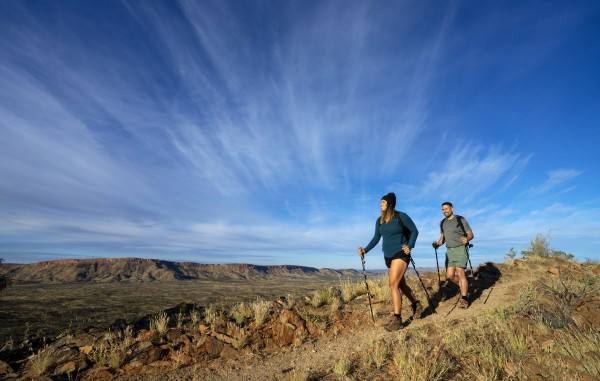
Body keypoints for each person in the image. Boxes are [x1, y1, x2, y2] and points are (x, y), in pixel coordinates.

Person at [358, 192, 423, 331]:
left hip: (400, 253)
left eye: (383, 202)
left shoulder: (401, 216)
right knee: (401, 285)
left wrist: (410, 245)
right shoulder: (379, 220)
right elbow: (376, 237)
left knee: (393, 284)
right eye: (380, 202)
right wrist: (366, 250)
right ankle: (416, 304)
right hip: (387, 256)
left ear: (390, 203)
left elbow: (414, 231)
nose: (380, 204)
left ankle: (397, 318)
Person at [432, 202, 474, 309]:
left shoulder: (460, 219)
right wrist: (437, 245)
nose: (444, 211)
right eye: (443, 209)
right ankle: (464, 286)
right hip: (449, 251)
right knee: (450, 276)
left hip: (460, 248)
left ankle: (464, 298)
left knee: (460, 273)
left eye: (446, 208)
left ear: (452, 209)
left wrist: (467, 239)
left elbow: (470, 234)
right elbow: (442, 239)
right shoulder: (442, 223)